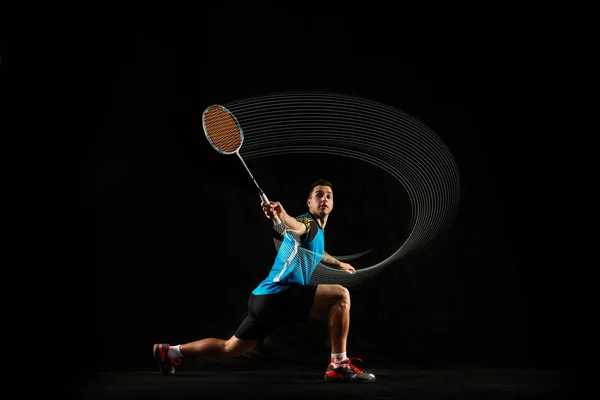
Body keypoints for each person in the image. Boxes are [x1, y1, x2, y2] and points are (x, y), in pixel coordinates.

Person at [153, 179, 376, 383]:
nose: (324, 198)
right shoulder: (307, 223)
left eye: (328, 195)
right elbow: (296, 227)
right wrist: (282, 215)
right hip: (281, 294)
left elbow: (318, 252)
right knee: (341, 295)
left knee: (229, 348)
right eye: (319, 195)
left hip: (263, 298)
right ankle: (338, 364)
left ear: (333, 203)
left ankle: (170, 351)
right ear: (309, 202)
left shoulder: (317, 233)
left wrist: (338, 263)